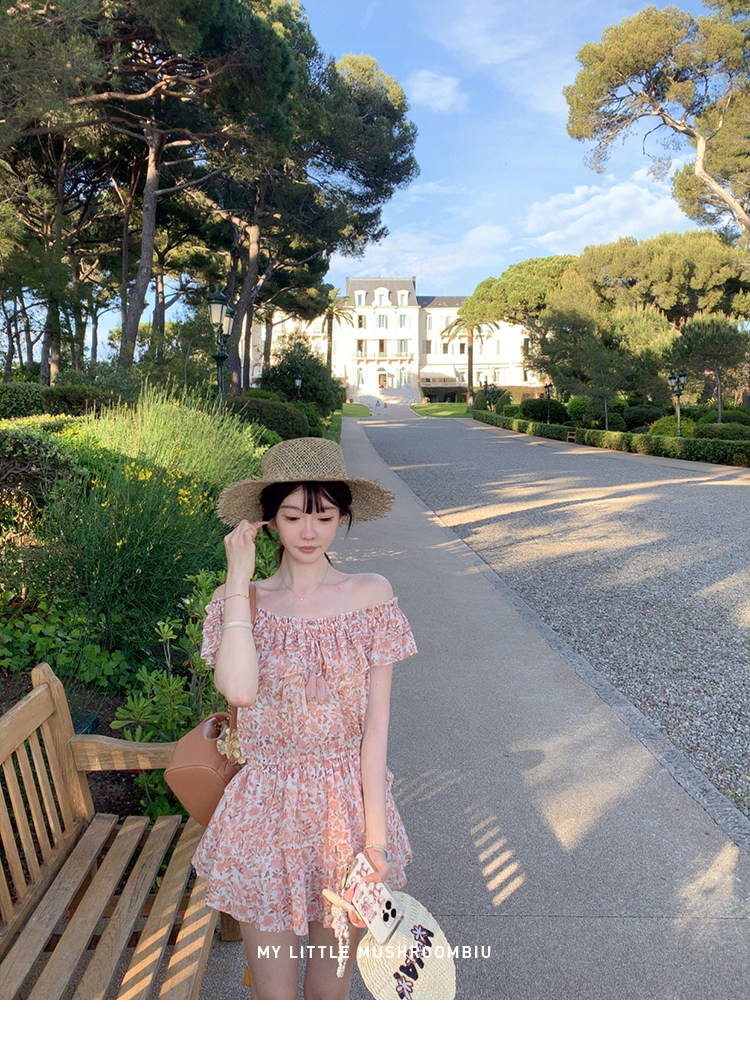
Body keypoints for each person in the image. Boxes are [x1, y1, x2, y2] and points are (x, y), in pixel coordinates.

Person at [192, 437, 416, 1000]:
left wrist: (376, 842)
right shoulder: (240, 600)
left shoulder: (371, 596)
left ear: (343, 516)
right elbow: (239, 689)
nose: (309, 532)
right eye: (293, 516)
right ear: (267, 519)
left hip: (345, 811)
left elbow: (375, 732)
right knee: (276, 1000)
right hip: (263, 812)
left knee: (328, 994)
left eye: (324, 516)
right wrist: (238, 580)